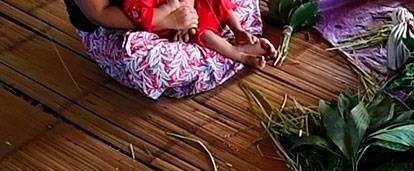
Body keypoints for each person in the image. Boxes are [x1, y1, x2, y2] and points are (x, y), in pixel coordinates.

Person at [63, 0, 268, 98]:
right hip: (117, 28)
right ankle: (235, 53)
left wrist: (185, 9)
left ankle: (237, 33)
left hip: (175, 8)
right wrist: (167, 18)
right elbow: (99, 14)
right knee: (149, 64)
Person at [122, 0, 276, 68]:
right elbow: (143, 17)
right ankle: (238, 54)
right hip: (175, 25)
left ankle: (238, 31)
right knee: (204, 35)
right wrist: (170, 8)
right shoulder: (134, 2)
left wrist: (187, 6)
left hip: (193, 9)